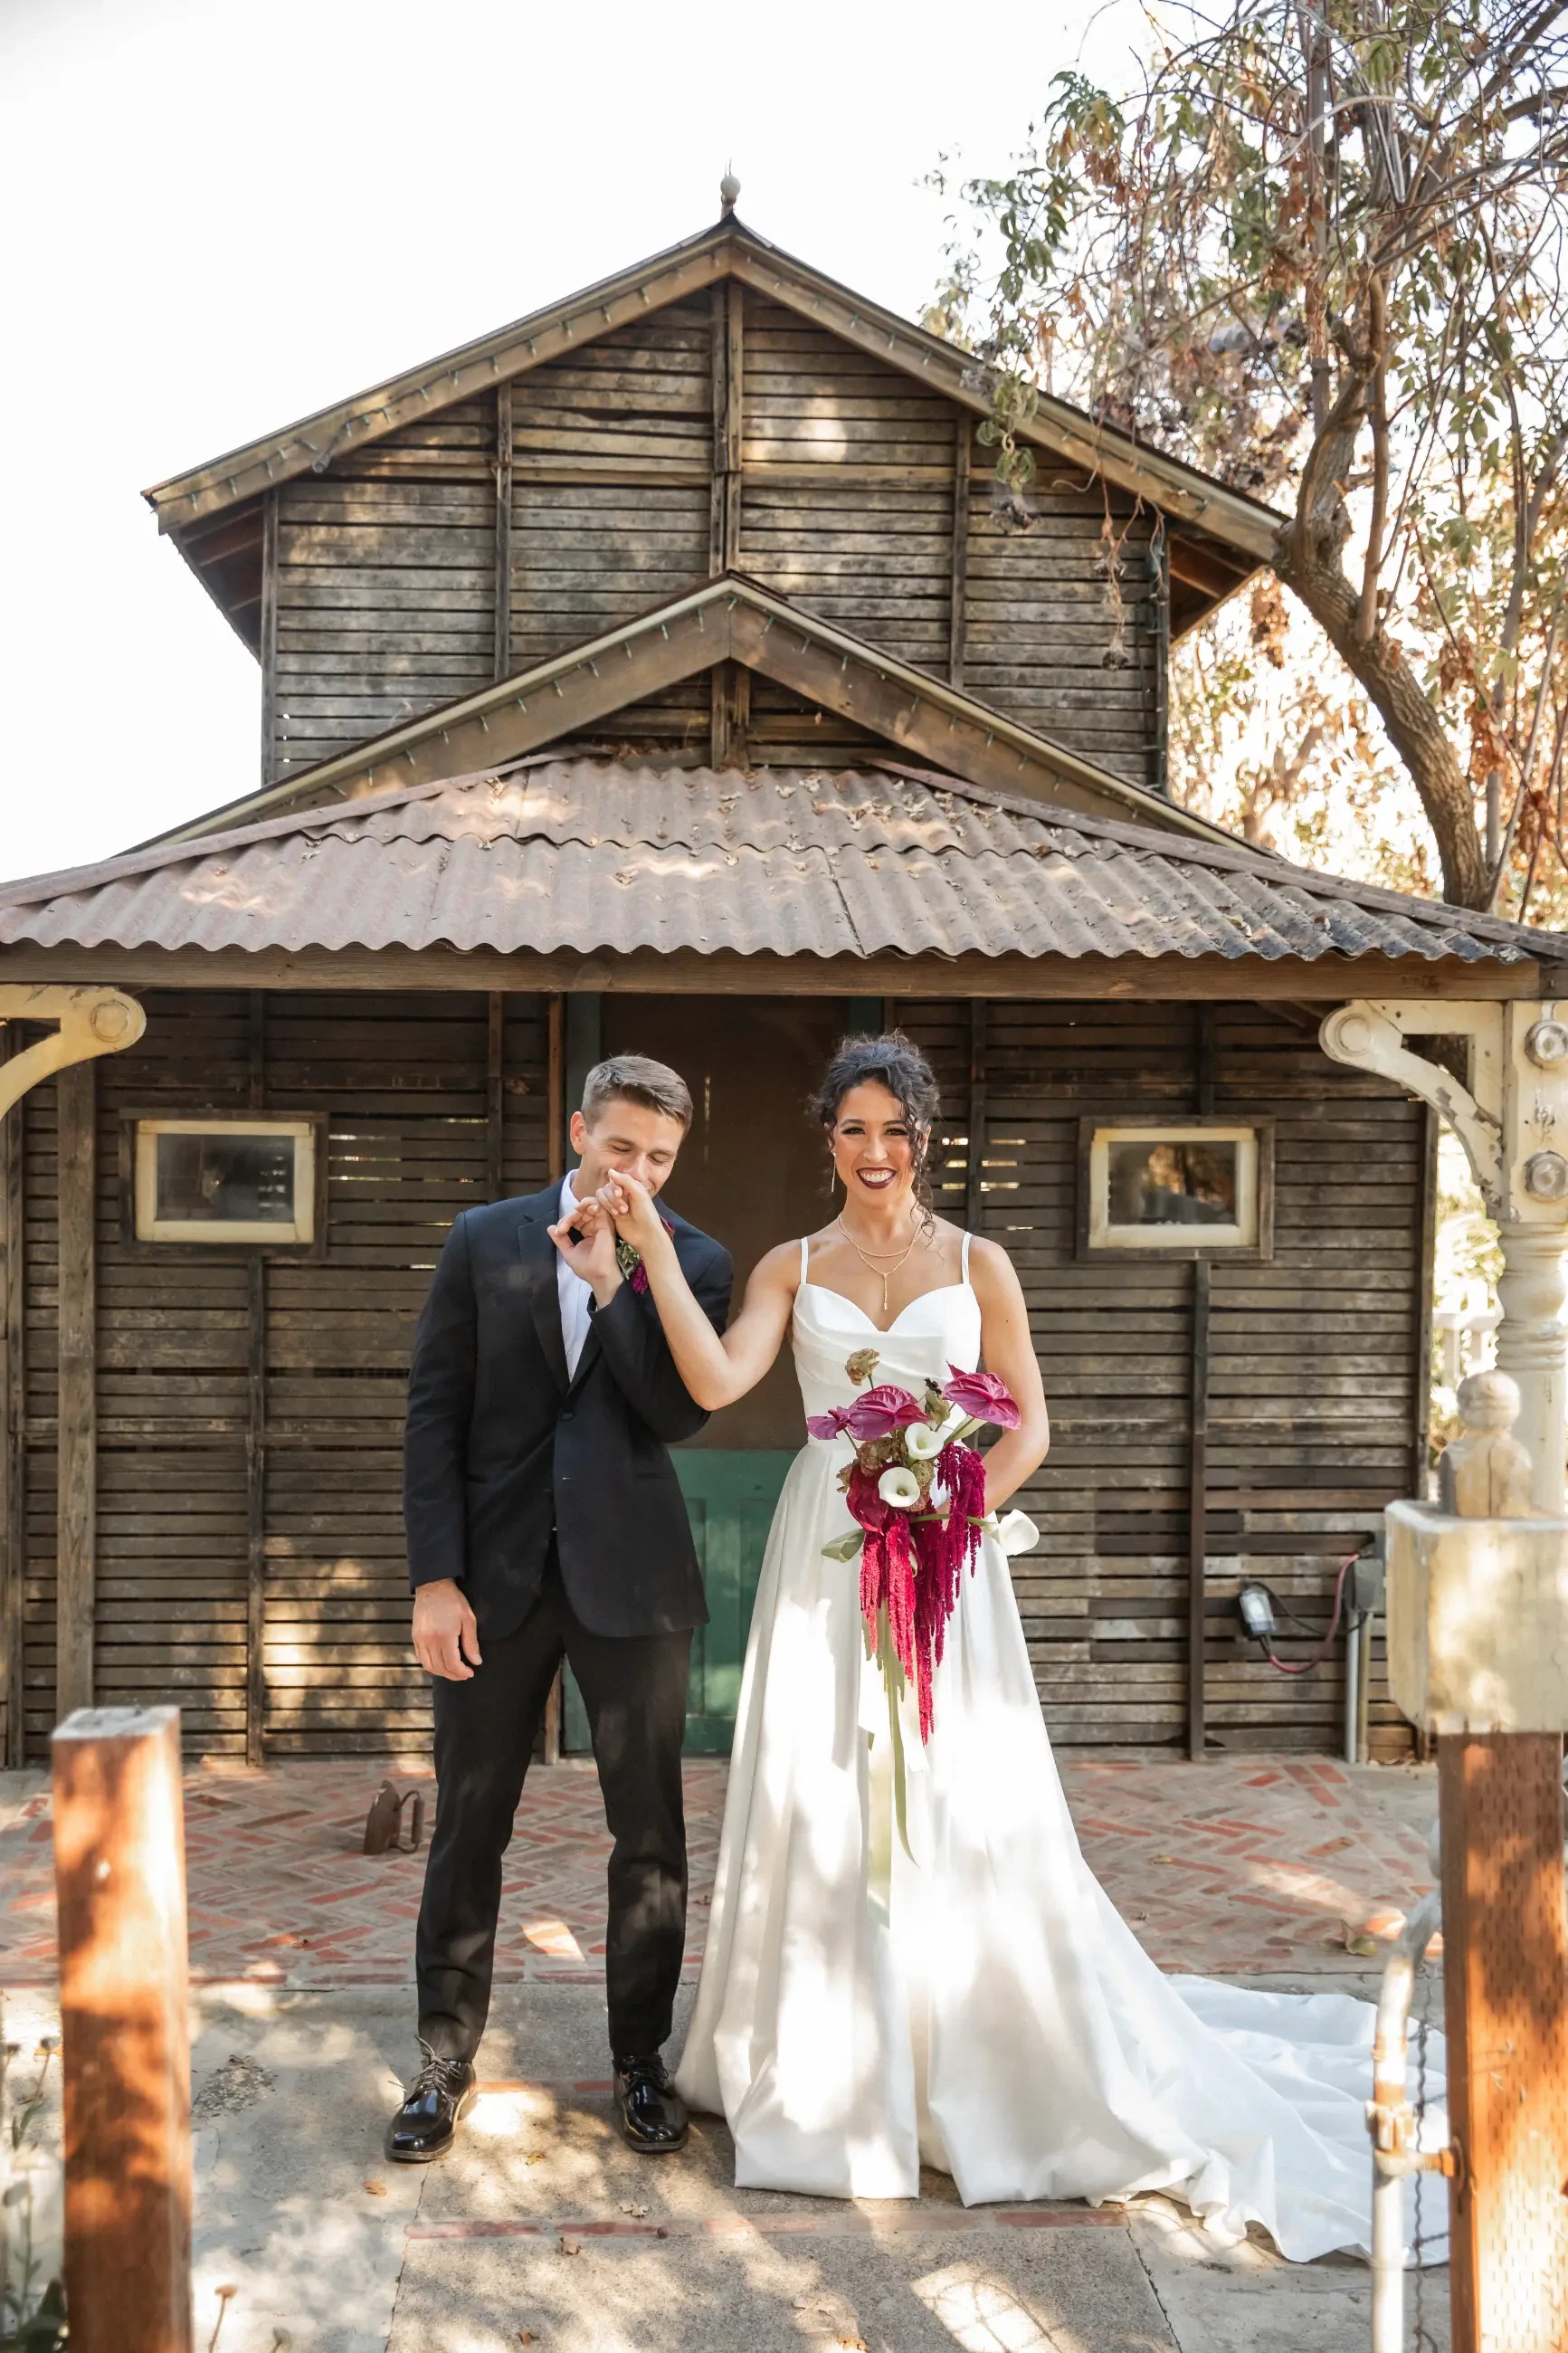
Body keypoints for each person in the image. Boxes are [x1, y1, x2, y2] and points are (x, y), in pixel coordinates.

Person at [568, 1030, 1446, 2262]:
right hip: (824, 1538)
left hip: (943, 1548)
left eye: (896, 1130)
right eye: (853, 1129)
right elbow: (713, 1381)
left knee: (951, 1790)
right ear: (829, 1137)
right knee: (822, 1782)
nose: (875, 1153)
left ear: (926, 1138)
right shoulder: (786, 1262)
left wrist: (946, 1497)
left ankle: (970, 2063)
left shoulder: (979, 1264)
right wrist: (654, 1251)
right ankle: (831, 2074)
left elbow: (1027, 1423)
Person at [387, 1054, 733, 2164]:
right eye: (620, 1147)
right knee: (468, 1825)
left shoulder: (698, 1263)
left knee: (649, 1839)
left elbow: (677, 1412)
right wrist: (433, 1578)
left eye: (660, 1158)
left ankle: (640, 2060)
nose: (636, 1173)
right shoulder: (482, 1238)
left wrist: (607, 1283)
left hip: (633, 1582)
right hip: (490, 1582)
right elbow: (433, 1414)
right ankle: (443, 2061)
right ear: (579, 1128)